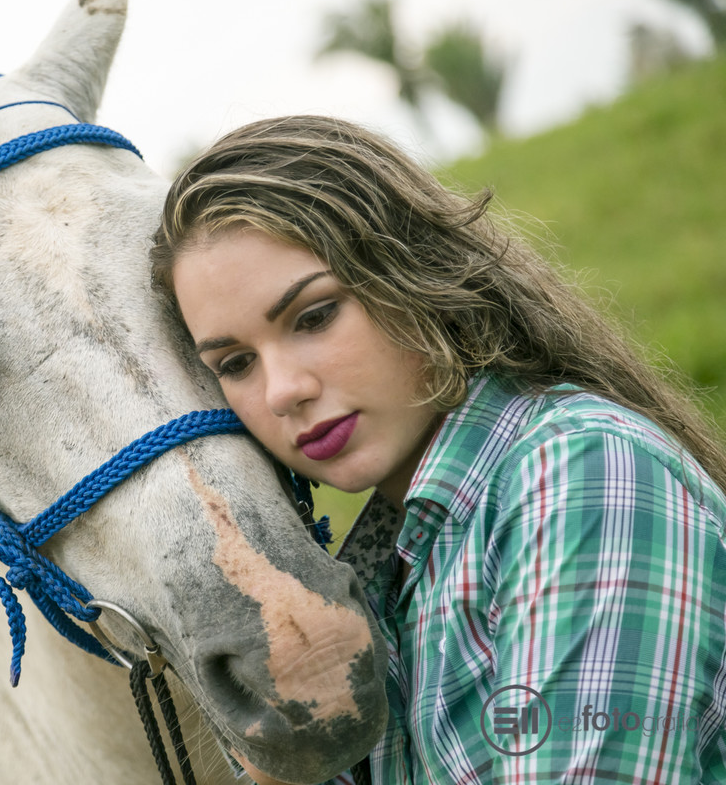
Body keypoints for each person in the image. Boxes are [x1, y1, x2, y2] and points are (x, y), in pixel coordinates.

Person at [150, 115, 726, 784]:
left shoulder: (582, 474)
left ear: (412, 269)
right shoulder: (374, 578)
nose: (283, 392)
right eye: (235, 363)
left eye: (314, 317)